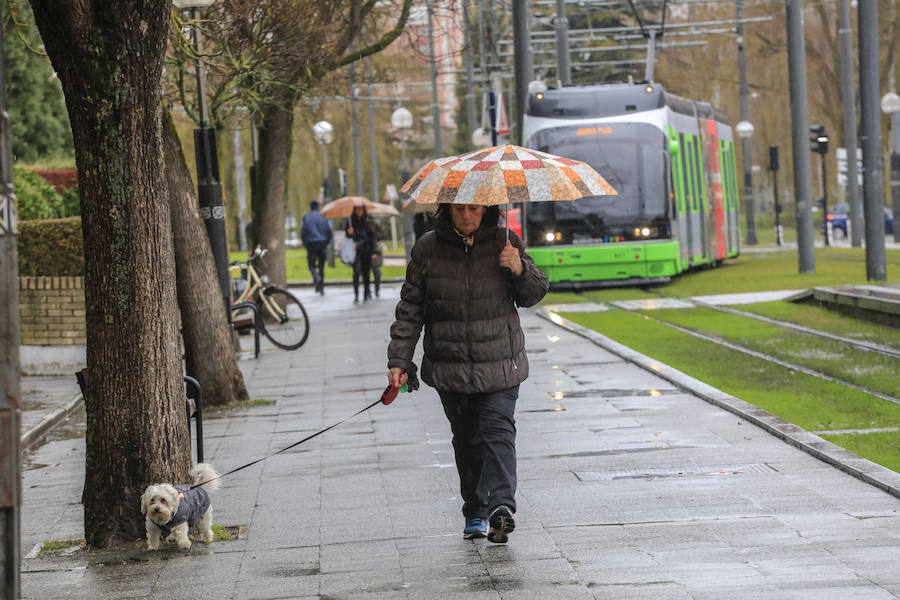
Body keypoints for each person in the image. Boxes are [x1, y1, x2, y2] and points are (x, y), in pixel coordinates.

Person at [386, 203, 549, 543]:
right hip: (451, 366)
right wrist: (399, 360)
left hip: (500, 362)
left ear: (486, 209)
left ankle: (502, 506)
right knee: (468, 442)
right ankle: (475, 509)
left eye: (473, 208)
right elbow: (410, 308)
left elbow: (533, 294)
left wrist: (519, 269)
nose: (466, 215)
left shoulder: (506, 241)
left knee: (498, 432)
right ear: (447, 210)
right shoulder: (427, 249)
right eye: (459, 208)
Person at [345, 205, 378, 303]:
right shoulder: (350, 222)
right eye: (357, 209)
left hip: (366, 250)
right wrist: (349, 232)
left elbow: (373, 237)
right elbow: (348, 236)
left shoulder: (368, 221)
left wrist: (374, 251)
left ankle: (365, 294)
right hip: (355, 251)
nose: (359, 211)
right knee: (356, 273)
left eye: (360, 209)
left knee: (366, 274)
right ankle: (356, 295)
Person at [300, 200, 333, 295]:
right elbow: (329, 230)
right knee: (321, 266)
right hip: (322, 243)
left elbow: (303, 231)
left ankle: (316, 277)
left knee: (312, 265)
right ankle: (321, 288)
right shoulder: (325, 216)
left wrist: (305, 243)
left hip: (311, 243)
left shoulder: (306, 217)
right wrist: (327, 242)